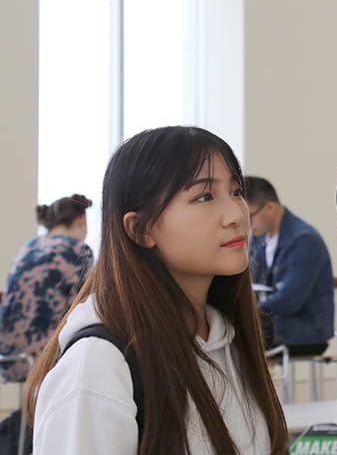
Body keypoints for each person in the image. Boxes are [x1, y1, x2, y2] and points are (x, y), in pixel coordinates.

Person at [25, 126, 288, 454]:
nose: (236, 215)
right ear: (140, 228)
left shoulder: (228, 338)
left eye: (236, 191)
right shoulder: (99, 365)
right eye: (204, 197)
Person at [0, 194, 94, 382]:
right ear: (81, 220)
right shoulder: (78, 250)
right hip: (43, 359)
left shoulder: (29, 246)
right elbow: (84, 306)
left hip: (7, 356)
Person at [245, 176, 334, 355]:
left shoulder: (304, 240)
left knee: (238, 331)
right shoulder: (259, 238)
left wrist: (250, 310)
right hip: (274, 323)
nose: (247, 224)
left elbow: (290, 301)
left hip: (306, 330)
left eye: (250, 217)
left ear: (270, 207)